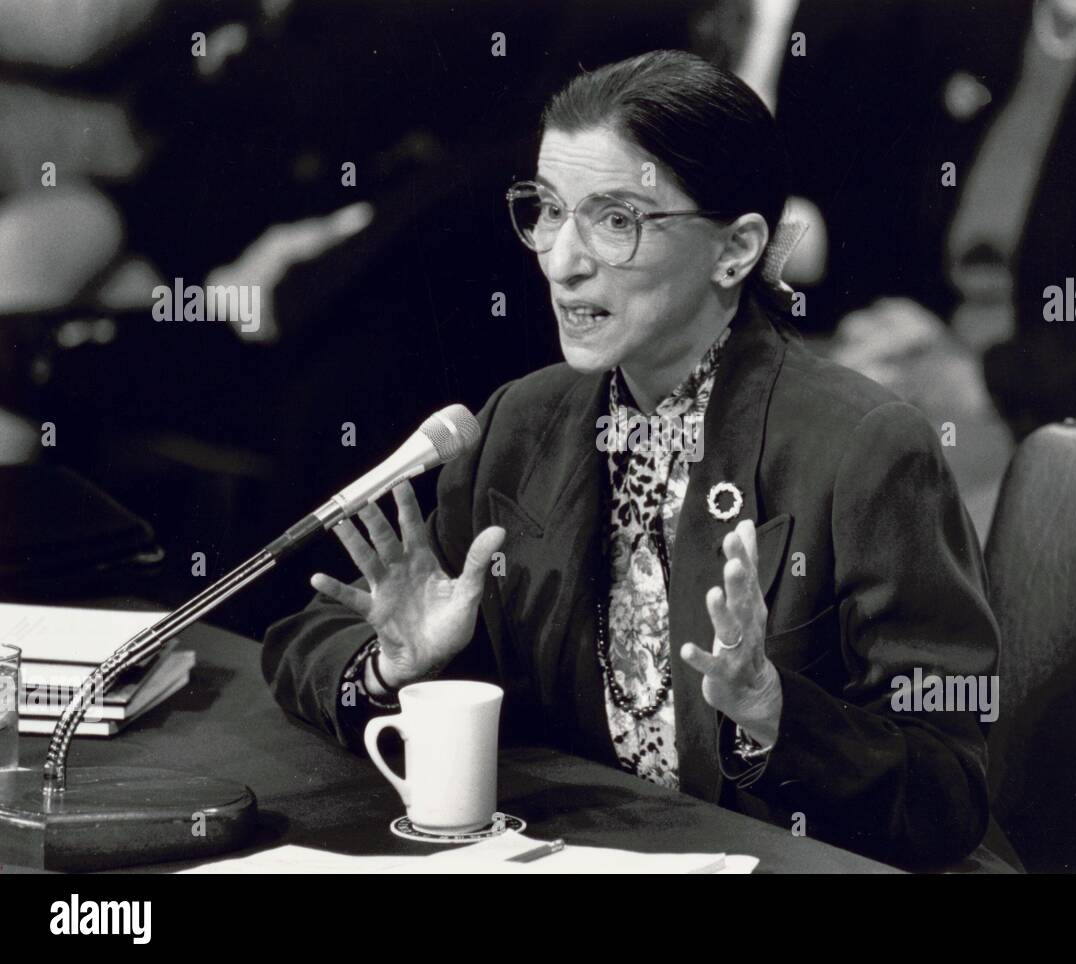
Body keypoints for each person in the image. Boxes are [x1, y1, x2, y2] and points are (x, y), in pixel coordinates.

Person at [263, 50, 1011, 870]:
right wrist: (398, 664)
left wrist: (775, 713)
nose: (561, 260)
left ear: (736, 251)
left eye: (615, 220)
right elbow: (311, 639)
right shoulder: (523, 421)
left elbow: (949, 792)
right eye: (548, 211)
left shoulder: (865, 448)